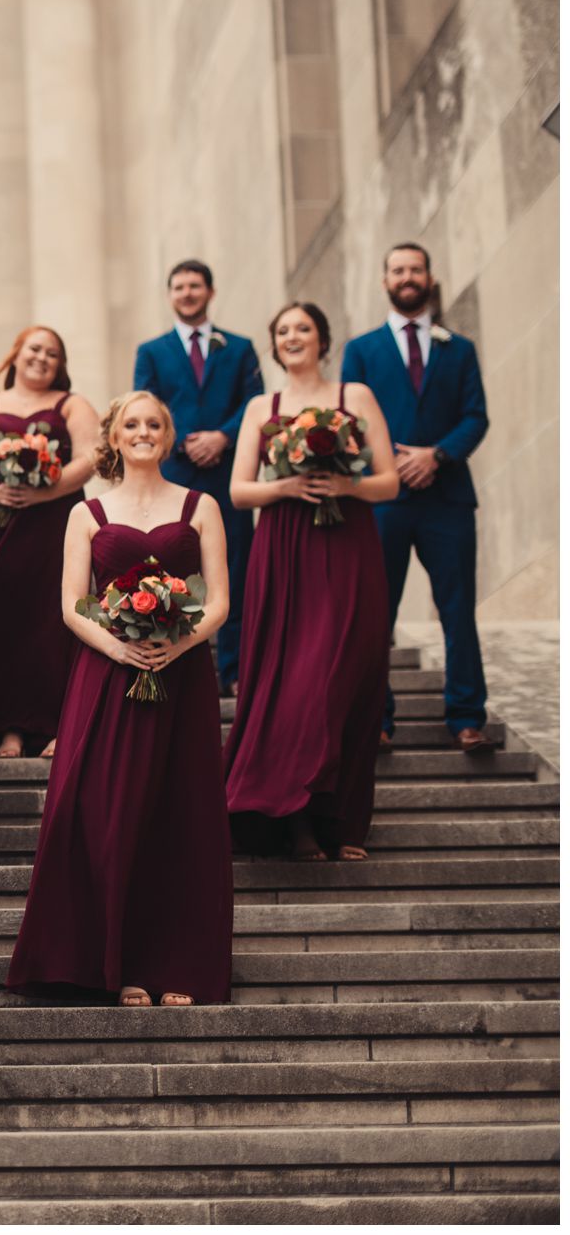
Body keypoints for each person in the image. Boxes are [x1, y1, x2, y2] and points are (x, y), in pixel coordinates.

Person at [6, 392, 233, 1007]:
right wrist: (121, 648)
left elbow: (218, 603)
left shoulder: (201, 506)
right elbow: (72, 603)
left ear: (167, 434)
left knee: (177, 815)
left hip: (180, 678)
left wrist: (174, 643)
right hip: (106, 677)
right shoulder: (87, 513)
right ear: (113, 435)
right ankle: (118, 962)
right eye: (131, 424)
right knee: (108, 815)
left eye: (153, 424)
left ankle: (177, 965)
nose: (142, 432)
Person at [225, 304, 399, 861]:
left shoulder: (357, 397)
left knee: (349, 673)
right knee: (295, 683)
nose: (293, 337)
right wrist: (289, 486)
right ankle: (296, 823)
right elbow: (239, 491)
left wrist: (343, 487)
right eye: (282, 331)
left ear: (323, 339)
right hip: (284, 550)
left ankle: (344, 820)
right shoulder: (262, 407)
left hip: (349, 547)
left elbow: (389, 482)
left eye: (303, 328)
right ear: (274, 346)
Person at [341, 243, 492, 751]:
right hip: (383, 501)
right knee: (374, 613)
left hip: (447, 499)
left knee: (457, 609)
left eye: (416, 269)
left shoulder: (460, 349)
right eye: (398, 269)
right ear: (385, 280)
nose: (407, 277)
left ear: (429, 278)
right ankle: (377, 719)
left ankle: (468, 717)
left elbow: (476, 417)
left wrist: (436, 456)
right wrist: (396, 461)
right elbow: (349, 424)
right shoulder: (361, 350)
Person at [0, 326, 103, 759]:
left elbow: (90, 456)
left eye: (53, 353)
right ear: (16, 354)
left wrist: (44, 491)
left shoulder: (71, 404)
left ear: (61, 364)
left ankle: (31, 727)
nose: (42, 358)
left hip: (51, 526)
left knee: (43, 625)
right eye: (35, 349)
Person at [131, 259, 264, 695]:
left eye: (195, 286)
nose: (187, 293)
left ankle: (236, 668)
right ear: (171, 295)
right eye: (179, 287)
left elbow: (254, 402)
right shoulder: (152, 351)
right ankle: (171, 656)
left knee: (233, 566)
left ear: (210, 291)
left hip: (228, 472)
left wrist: (223, 437)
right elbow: (144, 404)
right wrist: (185, 440)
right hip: (173, 472)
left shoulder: (240, 348)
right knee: (167, 564)